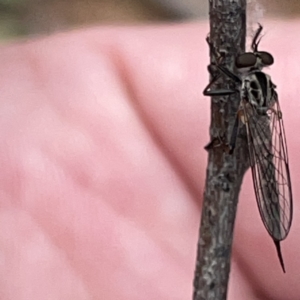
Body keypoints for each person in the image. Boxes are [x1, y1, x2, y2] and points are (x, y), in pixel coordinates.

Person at [0, 21, 298, 299]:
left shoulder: (253, 89)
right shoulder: (257, 84)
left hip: (256, 133)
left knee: (246, 140)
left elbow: (216, 91)